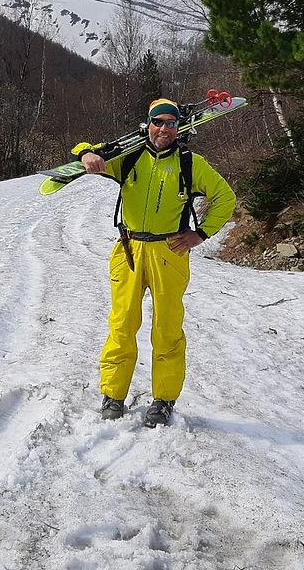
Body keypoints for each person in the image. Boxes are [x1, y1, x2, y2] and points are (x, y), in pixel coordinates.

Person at [72, 98, 236, 427]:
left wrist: (199, 234)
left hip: (169, 253)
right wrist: (86, 155)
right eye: (158, 122)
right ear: (148, 124)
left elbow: (225, 197)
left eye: (171, 123)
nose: (164, 129)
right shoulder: (129, 156)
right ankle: (113, 394)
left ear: (179, 127)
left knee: (167, 329)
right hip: (130, 250)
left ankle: (163, 400)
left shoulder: (191, 163)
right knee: (122, 324)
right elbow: (87, 149)